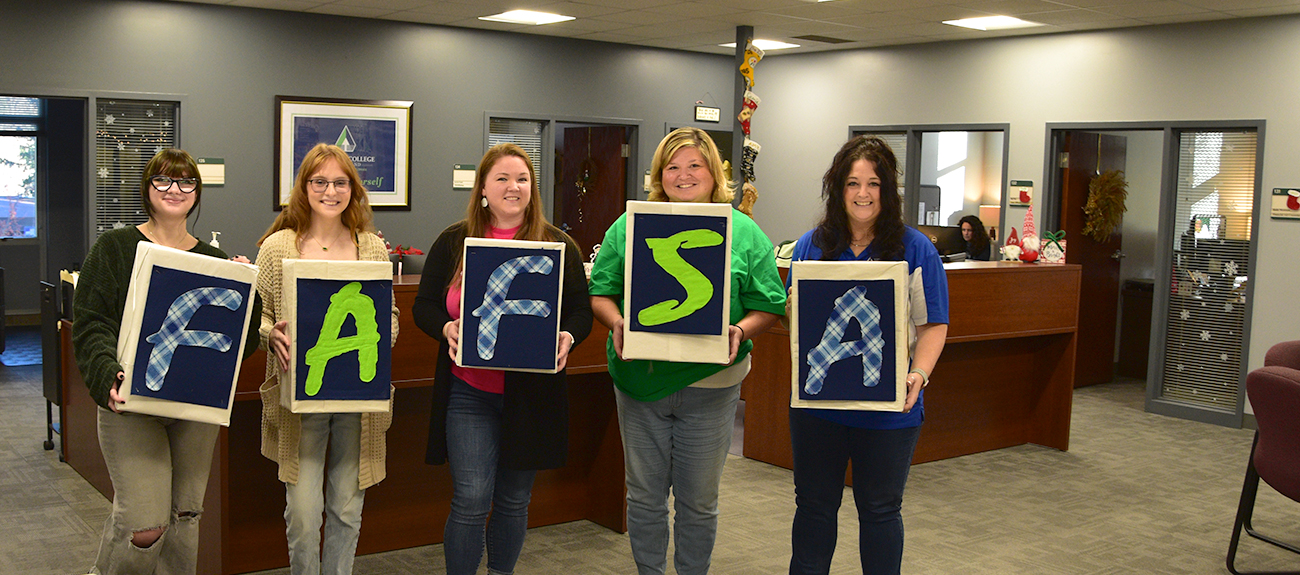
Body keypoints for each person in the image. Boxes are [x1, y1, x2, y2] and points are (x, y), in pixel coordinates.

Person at [588, 127, 786, 575]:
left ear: (714, 173)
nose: (683, 175)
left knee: (698, 501)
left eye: (695, 165)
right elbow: (601, 291)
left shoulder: (743, 232)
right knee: (643, 495)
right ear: (659, 175)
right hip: (641, 381)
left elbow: (769, 304)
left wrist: (740, 328)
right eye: (672, 167)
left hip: (712, 385)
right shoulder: (631, 225)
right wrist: (617, 321)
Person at [72, 148, 260, 574]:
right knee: (144, 525)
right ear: (147, 188)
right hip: (130, 404)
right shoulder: (116, 248)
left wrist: (248, 289)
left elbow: (237, 345)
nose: (174, 189)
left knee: (185, 518)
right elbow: (91, 323)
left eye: (185, 181)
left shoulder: (214, 260)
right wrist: (106, 375)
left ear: (197, 192)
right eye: (163, 180)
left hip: (193, 408)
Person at [412, 143, 592, 575]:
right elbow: (424, 306)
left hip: (530, 395)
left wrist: (569, 335)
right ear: (483, 190)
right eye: (503, 179)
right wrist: (446, 327)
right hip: (469, 391)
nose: (514, 187)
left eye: (523, 179)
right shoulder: (455, 241)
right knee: (472, 497)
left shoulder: (558, 245)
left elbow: (580, 312)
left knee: (513, 501)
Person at [786, 135, 949, 575]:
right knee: (814, 509)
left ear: (888, 189)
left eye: (874, 183)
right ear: (837, 189)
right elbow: (796, 319)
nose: (863, 193)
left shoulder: (916, 249)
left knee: (879, 511)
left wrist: (919, 375)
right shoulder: (810, 246)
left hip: (888, 410)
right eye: (853, 183)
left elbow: (932, 325)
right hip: (819, 408)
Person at [254, 143, 399, 575]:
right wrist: (269, 334)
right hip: (299, 399)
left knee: (347, 509)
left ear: (353, 189)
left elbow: (386, 313)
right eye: (320, 182)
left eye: (340, 182)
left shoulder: (371, 247)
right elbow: (256, 315)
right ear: (305, 187)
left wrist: (381, 335)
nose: (330, 191)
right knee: (302, 514)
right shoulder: (278, 247)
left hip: (358, 401)